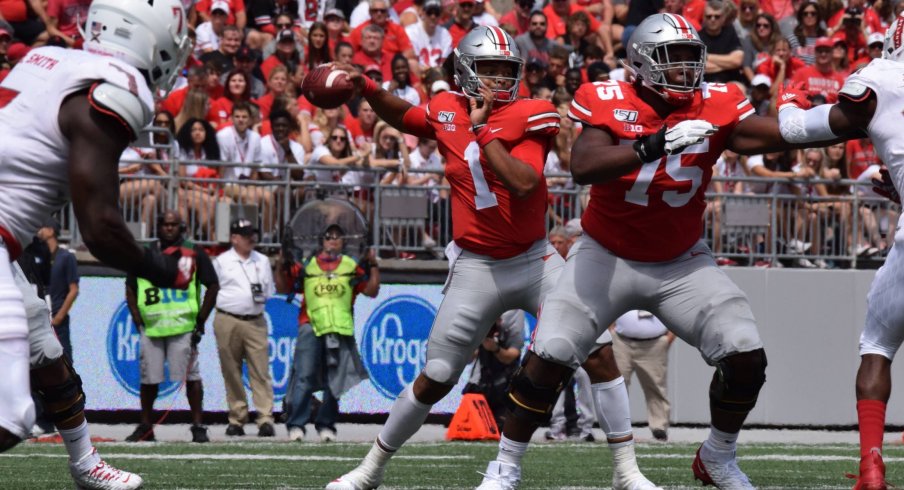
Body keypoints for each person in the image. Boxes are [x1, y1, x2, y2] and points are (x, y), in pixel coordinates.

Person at [478, 13, 816, 490]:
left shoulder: (715, 103)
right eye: (672, 58)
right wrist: (649, 145)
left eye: (689, 58)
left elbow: (779, 134)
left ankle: (717, 456)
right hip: (605, 254)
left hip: (681, 261)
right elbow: (584, 165)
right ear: (640, 62)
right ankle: (505, 467)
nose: (684, 68)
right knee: (550, 353)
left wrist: (810, 118)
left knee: (745, 355)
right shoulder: (606, 96)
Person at [326, 25, 657, 490]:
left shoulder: (532, 112)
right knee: (436, 377)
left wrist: (483, 131)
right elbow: (406, 116)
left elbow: (522, 182)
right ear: (465, 71)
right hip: (476, 265)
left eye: (507, 70)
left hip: (534, 259)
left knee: (599, 354)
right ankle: (370, 469)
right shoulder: (445, 108)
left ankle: (628, 472)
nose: (500, 79)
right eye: (489, 69)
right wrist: (367, 87)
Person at [0, 0, 193, 489]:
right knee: (12, 416)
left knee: (43, 343)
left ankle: (85, 462)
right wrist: (164, 270)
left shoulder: (54, 59)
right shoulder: (114, 88)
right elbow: (101, 230)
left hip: (6, 244)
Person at [774, 14, 904, 488]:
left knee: (877, 346)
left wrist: (788, 102)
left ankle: (871, 466)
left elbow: (796, 131)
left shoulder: (882, 77)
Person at [124, 211, 220, 444]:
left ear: (182, 227)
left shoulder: (194, 251)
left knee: (192, 377)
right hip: (153, 325)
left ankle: (198, 426)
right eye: (165, 224)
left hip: (183, 325)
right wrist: (137, 319)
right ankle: (146, 426)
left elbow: (213, 286)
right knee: (149, 378)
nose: (169, 228)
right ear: (158, 226)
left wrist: (200, 321)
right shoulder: (145, 253)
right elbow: (130, 286)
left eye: (173, 225)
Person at [279, 224, 379, 442]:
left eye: (337, 237)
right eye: (328, 237)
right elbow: (285, 287)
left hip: (340, 328)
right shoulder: (308, 265)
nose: (333, 240)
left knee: (335, 381)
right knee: (303, 377)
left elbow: (371, 291)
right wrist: (281, 263)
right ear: (322, 242)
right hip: (311, 325)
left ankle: (326, 425)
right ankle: (296, 425)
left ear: (343, 242)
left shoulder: (351, 266)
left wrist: (373, 267)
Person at [213, 218, 277, 438]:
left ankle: (265, 418)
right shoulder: (222, 261)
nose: (251, 238)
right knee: (231, 370)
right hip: (228, 318)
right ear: (234, 238)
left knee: (260, 370)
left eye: (253, 234)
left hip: (256, 319)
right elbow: (213, 289)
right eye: (246, 234)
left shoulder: (263, 260)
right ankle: (237, 418)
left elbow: (268, 291)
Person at [611, 311, 675, 442]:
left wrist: (669, 338)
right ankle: (616, 427)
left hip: (654, 343)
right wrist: (611, 330)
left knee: (655, 386)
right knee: (616, 386)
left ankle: (659, 427)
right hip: (621, 341)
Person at [462, 310, 524, 430]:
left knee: (503, 428)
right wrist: (476, 342)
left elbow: (511, 356)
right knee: (472, 427)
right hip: (482, 386)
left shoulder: (511, 331)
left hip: (505, 388)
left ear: (500, 320)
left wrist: (495, 349)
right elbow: (468, 359)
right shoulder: (479, 332)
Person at [37, 220, 78, 363]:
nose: (40, 230)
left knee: (65, 362)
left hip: (57, 322)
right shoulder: (38, 258)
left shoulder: (66, 257)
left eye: (43, 227)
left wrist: (58, 318)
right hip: (41, 321)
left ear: (51, 231)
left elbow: (73, 290)